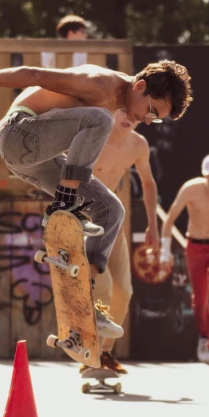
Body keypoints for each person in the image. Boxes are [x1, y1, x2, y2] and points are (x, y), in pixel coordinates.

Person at [0, 60, 193, 345]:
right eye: (151, 111)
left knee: (110, 209)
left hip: (34, 160)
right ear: (140, 86)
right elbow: (31, 74)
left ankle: (85, 297)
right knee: (100, 119)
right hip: (17, 133)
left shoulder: (121, 101)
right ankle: (64, 202)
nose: (147, 120)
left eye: (156, 119)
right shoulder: (100, 81)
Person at [80, 108, 160, 374]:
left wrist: (153, 225)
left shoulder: (138, 145)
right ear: (113, 110)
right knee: (102, 287)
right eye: (126, 111)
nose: (130, 119)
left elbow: (148, 183)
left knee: (124, 291)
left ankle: (104, 353)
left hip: (110, 221)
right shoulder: (93, 137)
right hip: (82, 218)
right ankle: (87, 351)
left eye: (138, 116)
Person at [160, 152, 209, 365]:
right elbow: (169, 219)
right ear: (204, 174)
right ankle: (204, 336)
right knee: (200, 299)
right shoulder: (191, 189)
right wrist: (165, 251)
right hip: (195, 246)